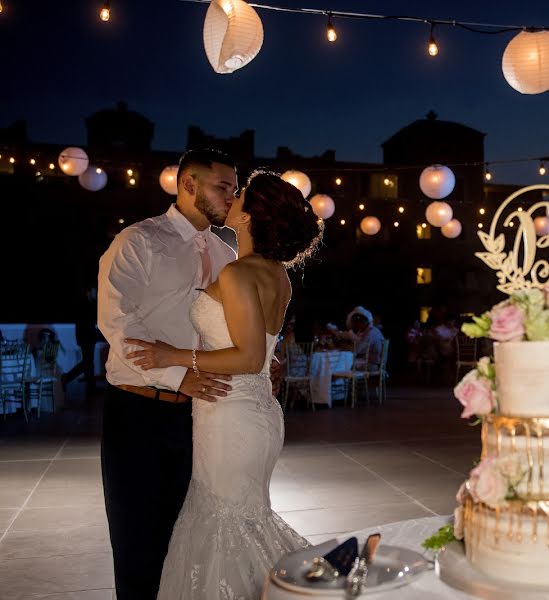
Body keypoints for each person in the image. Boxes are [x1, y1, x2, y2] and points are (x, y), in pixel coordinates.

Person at [124, 169, 324, 598]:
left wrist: (171, 355)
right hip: (252, 414)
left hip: (231, 414)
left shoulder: (240, 274)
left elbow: (250, 359)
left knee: (226, 526)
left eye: (241, 194)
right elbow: (260, 354)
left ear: (250, 216)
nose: (232, 197)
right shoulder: (277, 274)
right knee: (241, 522)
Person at [97, 148, 239, 599]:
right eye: (224, 188)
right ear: (189, 184)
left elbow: (226, 326)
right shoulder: (138, 241)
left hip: (199, 417)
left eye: (235, 190)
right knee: (137, 541)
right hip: (137, 411)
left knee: (186, 539)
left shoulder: (225, 252)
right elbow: (119, 326)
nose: (232, 199)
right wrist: (179, 377)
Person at [62, 285, 99, 394]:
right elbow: (88, 321)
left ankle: (91, 387)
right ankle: (67, 378)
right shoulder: (85, 304)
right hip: (86, 337)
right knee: (87, 362)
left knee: (88, 362)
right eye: (93, 291)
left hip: (87, 337)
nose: (95, 293)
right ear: (88, 292)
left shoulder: (87, 303)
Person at [331, 306, 385, 371]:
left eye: (356, 323)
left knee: (342, 364)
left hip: (372, 365)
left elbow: (356, 349)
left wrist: (345, 346)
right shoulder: (369, 330)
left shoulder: (371, 333)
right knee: (343, 363)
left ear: (363, 322)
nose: (355, 326)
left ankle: (342, 380)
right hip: (369, 361)